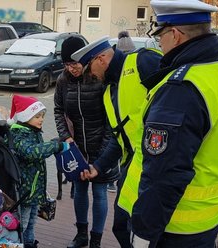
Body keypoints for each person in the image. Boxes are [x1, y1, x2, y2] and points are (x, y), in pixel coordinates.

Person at [115, 0, 218, 247]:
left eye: (160, 37)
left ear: (175, 35)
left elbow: (164, 174)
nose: (159, 44)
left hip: (173, 226)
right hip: (210, 215)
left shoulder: (181, 89)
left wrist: (144, 233)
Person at [71, 35, 163, 247]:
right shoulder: (109, 92)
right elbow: (118, 136)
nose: (91, 75)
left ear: (101, 59)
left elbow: (176, 98)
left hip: (157, 165)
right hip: (132, 167)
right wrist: (99, 166)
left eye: (90, 69)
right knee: (121, 226)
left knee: (146, 231)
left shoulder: (143, 61)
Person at [54, 36, 119, 248]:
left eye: (75, 63)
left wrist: (102, 156)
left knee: (100, 194)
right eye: (67, 64)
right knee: (80, 191)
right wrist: (66, 137)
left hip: (102, 147)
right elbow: (58, 111)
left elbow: (112, 121)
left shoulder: (99, 77)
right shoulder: (63, 81)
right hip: (77, 148)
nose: (71, 69)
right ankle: (81, 234)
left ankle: (96, 240)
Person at [7, 94, 69, 248]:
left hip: (34, 191)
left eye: (42, 116)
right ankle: (22, 244)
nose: (41, 119)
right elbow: (31, 152)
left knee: (32, 222)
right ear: (25, 117)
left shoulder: (33, 132)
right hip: (25, 192)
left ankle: (29, 242)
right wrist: (55, 146)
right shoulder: (19, 135)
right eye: (37, 116)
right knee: (24, 222)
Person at [106, 30, 137, 194]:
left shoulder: (138, 63)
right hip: (129, 155)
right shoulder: (109, 89)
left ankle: (113, 179)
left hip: (137, 157)